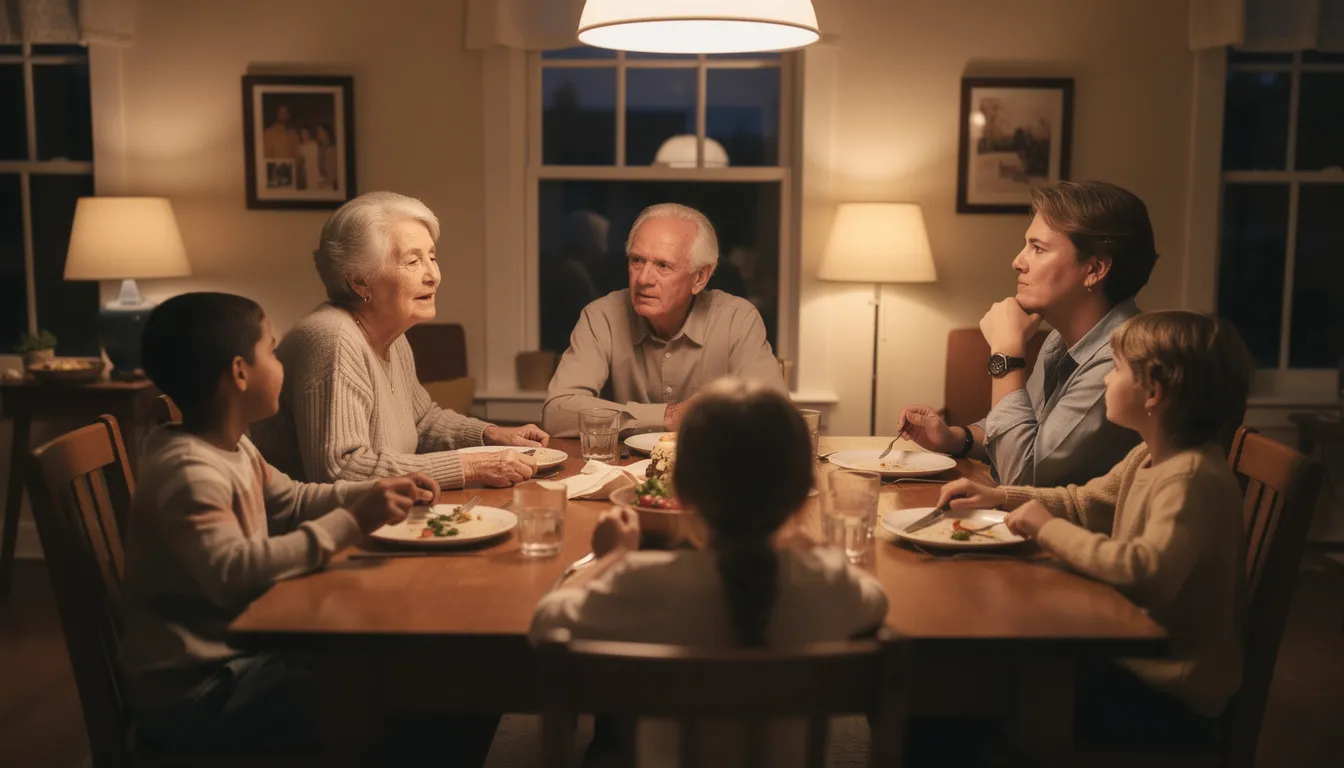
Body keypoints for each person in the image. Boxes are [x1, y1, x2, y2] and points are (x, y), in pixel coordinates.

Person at [118, 292, 436, 749]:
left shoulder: (233, 445)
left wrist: (373, 492)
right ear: (239, 372)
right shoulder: (189, 471)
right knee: (390, 700)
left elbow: (291, 502)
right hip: (196, 692)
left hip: (243, 657)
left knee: (395, 672)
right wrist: (350, 522)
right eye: (271, 349)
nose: (282, 363)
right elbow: (235, 574)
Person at [532, 378, 888, 767]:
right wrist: (810, 544)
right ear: (803, 491)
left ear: (678, 490)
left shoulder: (641, 582)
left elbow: (546, 621)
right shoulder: (826, 581)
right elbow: (876, 602)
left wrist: (611, 557)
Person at [936, 310, 1253, 745]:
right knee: (975, 680)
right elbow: (1082, 501)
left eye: (1117, 369)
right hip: (1131, 657)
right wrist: (1002, 498)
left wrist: (1047, 529)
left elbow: (1145, 573)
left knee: (973, 694)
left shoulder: (1191, 477)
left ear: (1153, 393)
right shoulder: (1148, 456)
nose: (1105, 379)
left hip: (1167, 691)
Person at [250, 191, 547, 489]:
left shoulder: (392, 336)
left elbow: (422, 422)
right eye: (413, 261)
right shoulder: (333, 339)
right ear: (359, 281)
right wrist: (470, 467)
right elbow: (341, 468)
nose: (434, 275)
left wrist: (491, 435)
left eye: (432, 257)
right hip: (318, 529)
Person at [897, 180, 1159, 488]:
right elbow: (1025, 432)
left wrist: (1006, 355)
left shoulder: (1120, 362)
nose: (1018, 262)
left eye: (1038, 248)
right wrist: (957, 438)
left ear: (1094, 269)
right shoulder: (1060, 340)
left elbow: (1021, 476)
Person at [543, 204, 786, 438]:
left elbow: (773, 415)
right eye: (637, 261)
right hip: (620, 472)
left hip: (711, 468)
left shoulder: (737, 319)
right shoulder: (601, 317)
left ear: (700, 277)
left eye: (663, 265)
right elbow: (557, 413)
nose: (644, 278)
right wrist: (670, 416)